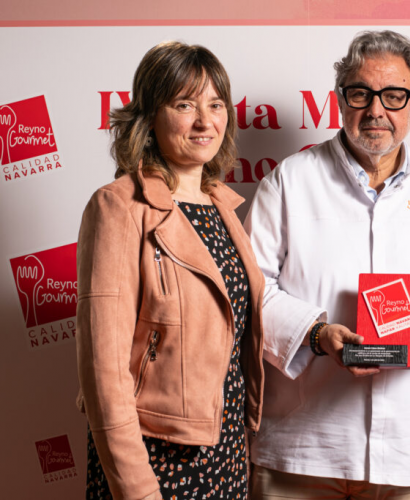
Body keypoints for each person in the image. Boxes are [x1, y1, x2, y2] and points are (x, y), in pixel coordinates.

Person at [245, 30, 410, 498]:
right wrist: (315, 334)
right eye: (361, 93)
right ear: (339, 100)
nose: (377, 110)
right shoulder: (289, 182)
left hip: (402, 450)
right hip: (301, 447)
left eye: (394, 96)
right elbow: (253, 287)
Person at [75, 41, 265, 500]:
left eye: (216, 104)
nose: (205, 120)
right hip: (154, 462)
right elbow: (104, 374)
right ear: (149, 116)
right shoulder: (119, 207)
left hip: (226, 456)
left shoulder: (222, 206)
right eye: (185, 104)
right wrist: (137, 490)